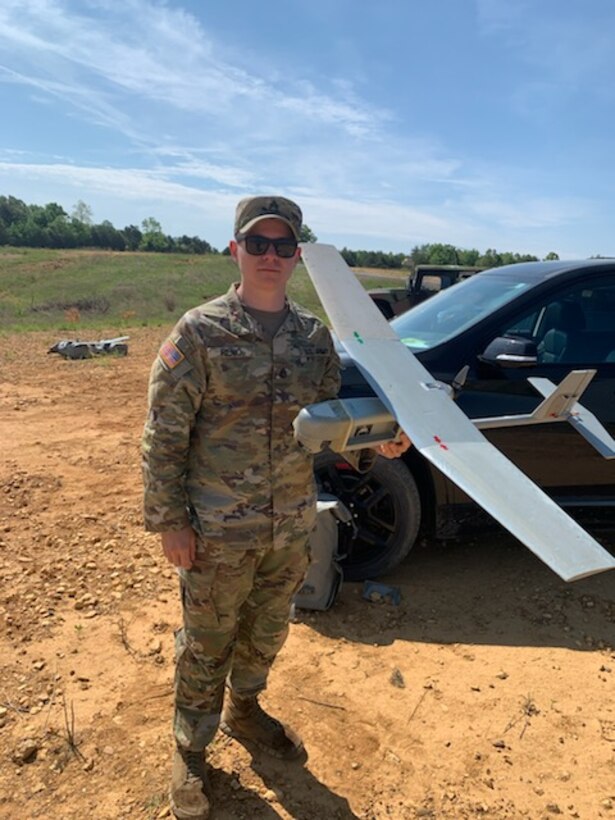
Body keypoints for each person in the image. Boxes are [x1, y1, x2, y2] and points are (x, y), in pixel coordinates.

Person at [141, 195, 410, 820]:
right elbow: (162, 434)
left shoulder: (315, 339)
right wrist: (171, 523)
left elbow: (331, 432)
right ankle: (190, 748)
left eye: (283, 245)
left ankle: (246, 710)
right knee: (207, 641)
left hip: (290, 524)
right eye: (256, 243)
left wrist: (380, 445)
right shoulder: (199, 332)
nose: (270, 255)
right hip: (214, 531)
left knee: (266, 633)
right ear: (235, 250)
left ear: (296, 255)